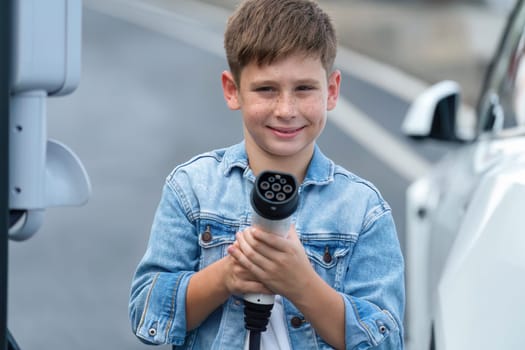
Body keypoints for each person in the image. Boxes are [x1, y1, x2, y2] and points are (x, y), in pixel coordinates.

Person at [128, 0, 405, 349]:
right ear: (233, 90)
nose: (286, 110)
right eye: (266, 89)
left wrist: (301, 284)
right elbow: (146, 311)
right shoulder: (193, 188)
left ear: (331, 91)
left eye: (304, 88)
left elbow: (386, 340)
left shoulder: (363, 210)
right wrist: (227, 277)